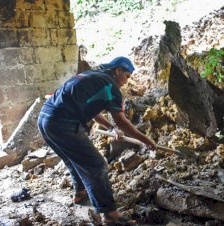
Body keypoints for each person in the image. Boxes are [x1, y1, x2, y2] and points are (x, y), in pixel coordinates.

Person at [37, 56, 156, 225]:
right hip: (63, 124)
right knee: (97, 166)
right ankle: (110, 215)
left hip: (45, 119)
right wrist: (145, 140)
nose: (126, 82)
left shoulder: (92, 76)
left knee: (73, 159)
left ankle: (81, 192)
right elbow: (122, 121)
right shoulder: (111, 86)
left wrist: (110, 127)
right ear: (118, 70)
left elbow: (91, 108)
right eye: (127, 76)